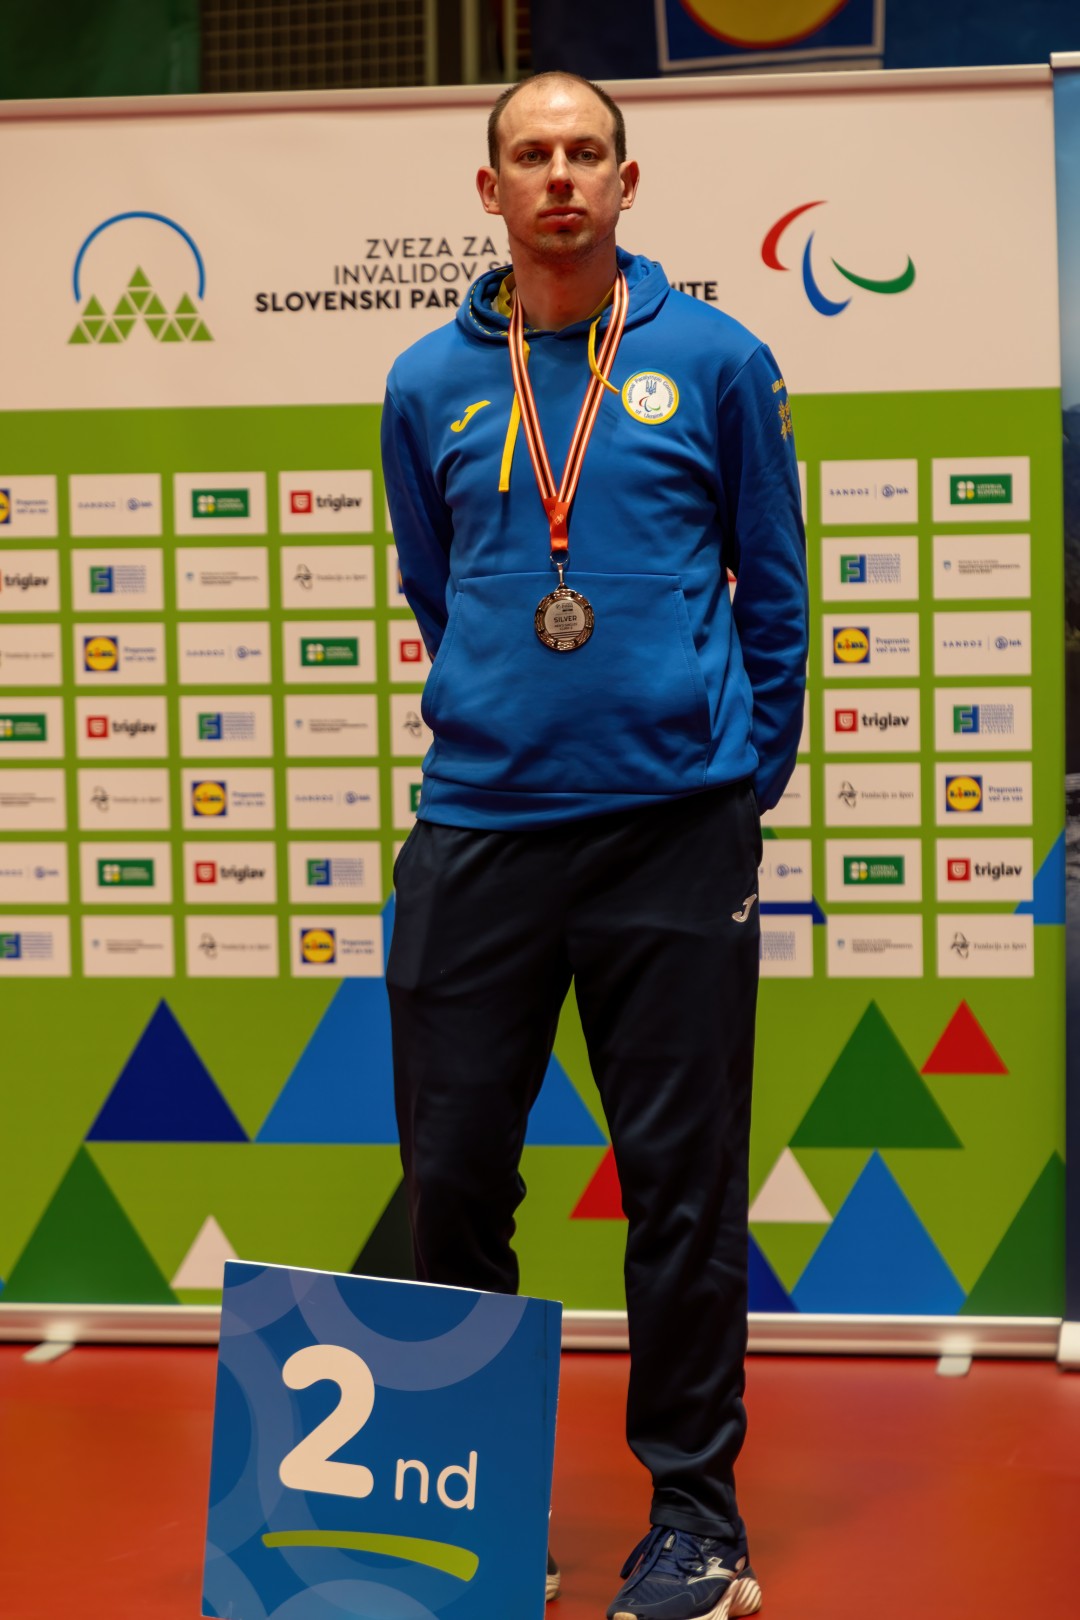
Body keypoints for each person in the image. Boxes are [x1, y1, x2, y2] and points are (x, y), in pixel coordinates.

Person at [380, 70, 807, 1620]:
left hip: (672, 838)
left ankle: (695, 1526)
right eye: (530, 154)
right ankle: (473, 1516)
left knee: (681, 1192)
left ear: (628, 182)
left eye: (584, 152)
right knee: (452, 1186)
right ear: (488, 189)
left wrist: (729, 786)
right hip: (480, 835)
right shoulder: (426, 382)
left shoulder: (717, 362)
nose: (559, 175)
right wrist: (518, 719)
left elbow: (773, 592)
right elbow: (442, 588)